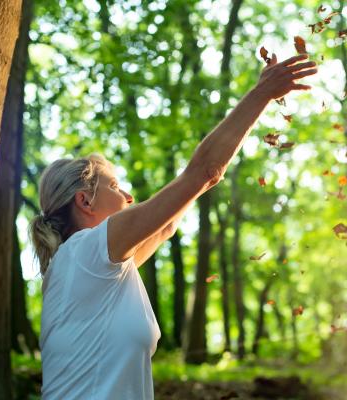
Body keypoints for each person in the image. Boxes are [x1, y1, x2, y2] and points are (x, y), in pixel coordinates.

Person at [30, 53, 317, 399]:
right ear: (85, 202)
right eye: (115, 186)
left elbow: (168, 224)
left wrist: (199, 183)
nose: (129, 195)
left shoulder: (93, 269)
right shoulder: (87, 251)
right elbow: (204, 171)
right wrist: (261, 94)